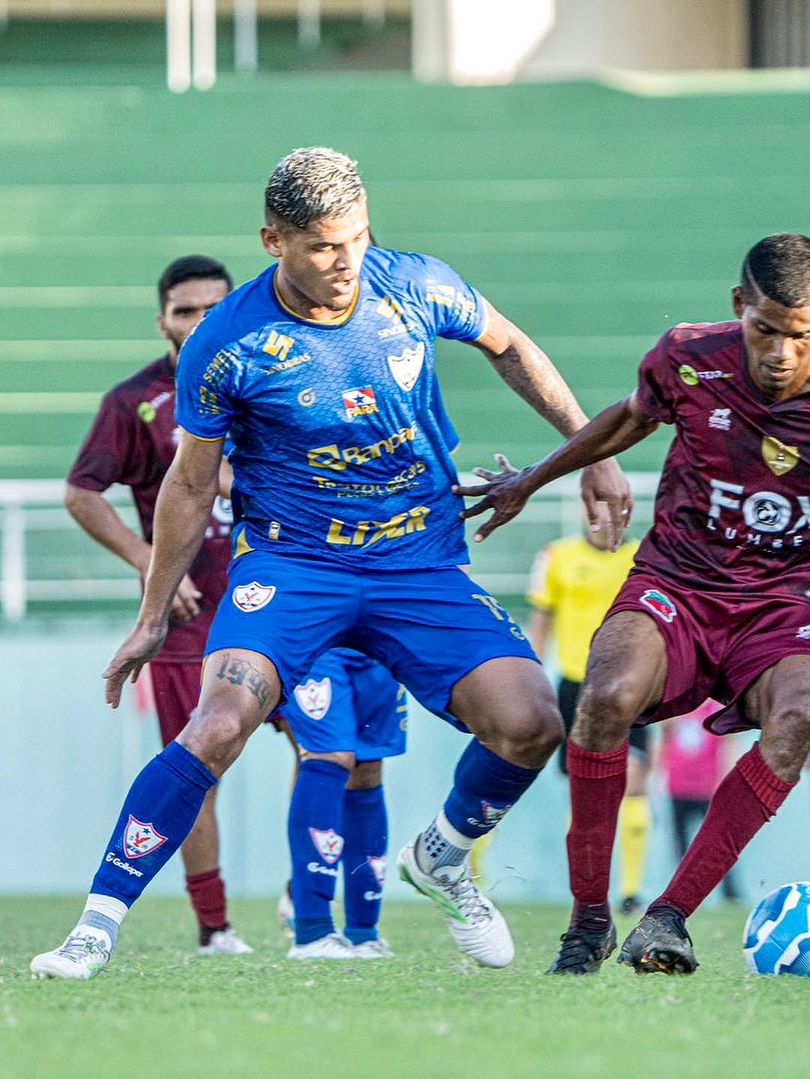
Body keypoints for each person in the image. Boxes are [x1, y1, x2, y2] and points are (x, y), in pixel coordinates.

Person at [31, 146, 629, 980]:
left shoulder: (415, 283)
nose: (345, 260)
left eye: (356, 237)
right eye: (321, 245)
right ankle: (94, 927)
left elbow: (510, 345)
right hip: (294, 566)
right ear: (274, 240)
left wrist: (587, 450)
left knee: (531, 722)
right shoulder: (228, 341)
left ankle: (443, 856)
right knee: (216, 727)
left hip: (419, 560)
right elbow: (192, 480)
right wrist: (148, 613)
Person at [455, 233, 810, 975]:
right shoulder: (687, 355)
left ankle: (668, 915)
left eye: (800, 335)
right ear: (740, 306)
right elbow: (630, 417)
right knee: (604, 693)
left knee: (803, 705)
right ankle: (588, 922)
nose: (778, 353)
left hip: (785, 604)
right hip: (679, 579)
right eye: (765, 328)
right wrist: (531, 480)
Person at [63, 255, 252, 957]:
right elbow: (82, 491)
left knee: (333, 749)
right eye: (185, 310)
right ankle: (215, 926)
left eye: (214, 308)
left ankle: (320, 915)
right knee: (196, 766)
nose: (201, 322)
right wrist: (153, 566)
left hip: (293, 597)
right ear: (162, 320)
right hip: (189, 616)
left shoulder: (277, 379)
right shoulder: (135, 400)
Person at [526, 527, 652, 915]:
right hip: (576, 685)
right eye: (591, 504)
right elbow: (542, 622)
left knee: (632, 779)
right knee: (584, 789)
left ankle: (631, 890)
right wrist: (529, 675)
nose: (600, 515)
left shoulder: (643, 559)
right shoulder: (556, 555)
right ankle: (585, 883)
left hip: (633, 682)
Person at [272, 648, 406, 959]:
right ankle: (312, 929)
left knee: (368, 769)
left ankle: (363, 932)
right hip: (319, 633)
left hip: (379, 640)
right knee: (327, 755)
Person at [659, 704, 740, 904]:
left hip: (707, 789)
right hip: (677, 787)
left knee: (717, 843)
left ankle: (730, 893)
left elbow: (729, 745)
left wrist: (726, 780)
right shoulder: (676, 709)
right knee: (680, 845)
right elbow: (663, 735)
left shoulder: (716, 711)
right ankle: (680, 894)